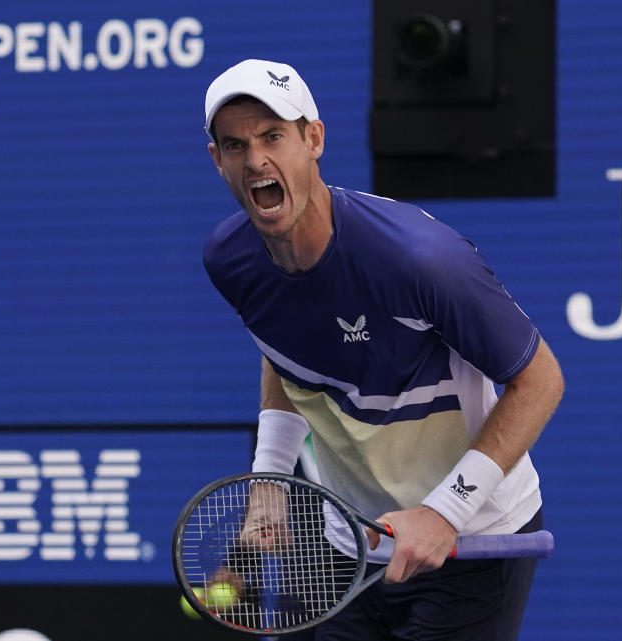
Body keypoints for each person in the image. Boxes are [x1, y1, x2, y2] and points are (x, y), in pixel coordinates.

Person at [201, 58, 564, 641]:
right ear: (217, 160)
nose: (256, 160)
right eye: (235, 145)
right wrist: (269, 480)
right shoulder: (232, 261)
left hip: (473, 544)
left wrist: (444, 512)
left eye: (274, 136)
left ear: (313, 139)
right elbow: (284, 350)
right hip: (352, 539)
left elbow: (540, 380)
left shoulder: (418, 259)